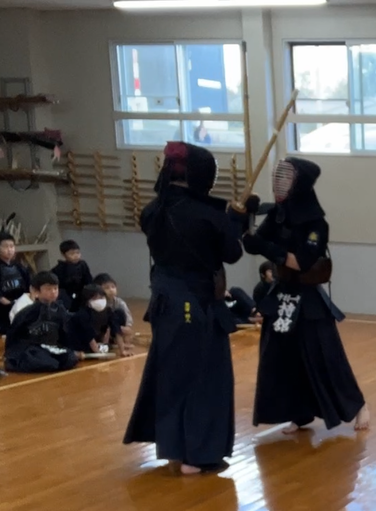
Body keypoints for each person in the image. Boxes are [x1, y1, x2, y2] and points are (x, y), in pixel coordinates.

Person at [123, 141, 250, 476]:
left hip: (165, 302)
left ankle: (174, 451)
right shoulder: (207, 213)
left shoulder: (152, 210)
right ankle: (197, 454)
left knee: (171, 374)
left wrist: (229, 220)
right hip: (196, 304)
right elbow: (231, 252)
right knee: (203, 377)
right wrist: (237, 221)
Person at [242, 157, 369, 434]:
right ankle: (298, 413)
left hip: (308, 299)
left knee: (325, 356)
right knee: (280, 356)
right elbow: (254, 244)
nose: (279, 183)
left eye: (286, 178)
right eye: (278, 177)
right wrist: (246, 221)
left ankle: (357, 405)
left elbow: (301, 261)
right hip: (282, 293)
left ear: (299, 184)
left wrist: (266, 247)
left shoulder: (316, 224)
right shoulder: (278, 214)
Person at [5, 271, 81, 373]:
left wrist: (70, 349)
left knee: (69, 359)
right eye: (48, 289)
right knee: (45, 362)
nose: (53, 292)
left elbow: (65, 333)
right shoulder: (26, 313)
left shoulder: (60, 310)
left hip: (51, 347)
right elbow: (14, 337)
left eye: (55, 288)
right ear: (36, 291)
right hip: (31, 349)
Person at [0, 231, 32, 335]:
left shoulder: (20, 267)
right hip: (2, 313)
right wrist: (12, 305)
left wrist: (24, 304)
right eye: (5, 246)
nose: (9, 250)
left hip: (22, 308)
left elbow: (30, 288)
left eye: (12, 246)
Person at [67, 283, 131, 356]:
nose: (99, 300)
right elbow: (89, 336)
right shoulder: (82, 315)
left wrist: (122, 351)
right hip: (79, 344)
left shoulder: (108, 311)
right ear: (87, 300)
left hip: (96, 342)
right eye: (95, 298)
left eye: (101, 297)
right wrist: (99, 353)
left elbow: (116, 330)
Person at [52, 239, 93, 311]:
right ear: (64, 255)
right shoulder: (58, 269)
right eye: (71, 254)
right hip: (67, 298)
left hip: (82, 296)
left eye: (78, 253)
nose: (76, 256)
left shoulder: (83, 265)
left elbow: (89, 280)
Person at [94, 273, 136, 343]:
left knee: (120, 312)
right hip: (102, 329)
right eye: (107, 288)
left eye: (113, 287)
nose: (111, 290)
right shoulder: (97, 303)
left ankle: (117, 337)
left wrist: (128, 326)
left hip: (115, 328)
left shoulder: (119, 302)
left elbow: (127, 315)